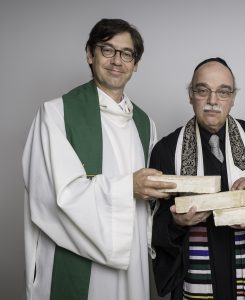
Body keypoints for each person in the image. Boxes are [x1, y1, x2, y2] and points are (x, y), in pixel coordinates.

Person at [22, 18, 175, 300]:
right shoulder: (55, 115)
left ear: (135, 64)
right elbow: (53, 197)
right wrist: (126, 187)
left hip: (132, 264)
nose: (117, 60)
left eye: (126, 54)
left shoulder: (145, 124)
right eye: (107, 50)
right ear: (90, 54)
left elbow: (150, 209)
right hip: (75, 261)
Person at [150, 57, 245, 299]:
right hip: (196, 275)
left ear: (232, 98)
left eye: (223, 92)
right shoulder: (167, 150)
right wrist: (177, 223)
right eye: (202, 90)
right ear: (191, 95)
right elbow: (148, 218)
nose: (213, 100)